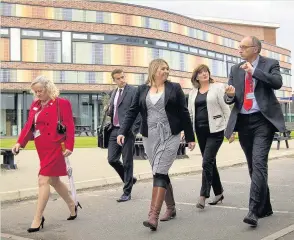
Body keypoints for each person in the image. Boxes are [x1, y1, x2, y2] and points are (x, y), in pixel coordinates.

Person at [117, 59, 195, 231]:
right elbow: (132, 112)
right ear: (153, 70)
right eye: (162, 68)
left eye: (168, 68)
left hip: (170, 135)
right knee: (160, 171)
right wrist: (122, 131)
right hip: (150, 137)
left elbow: (183, 112)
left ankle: (153, 216)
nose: (166, 71)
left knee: (159, 171)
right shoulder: (142, 90)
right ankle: (172, 208)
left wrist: (190, 137)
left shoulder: (174, 88)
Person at [224, 36, 286, 227]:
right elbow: (230, 100)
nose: (239, 50)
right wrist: (230, 95)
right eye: (239, 46)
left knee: (259, 163)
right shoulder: (235, 69)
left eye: (243, 47)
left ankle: (253, 211)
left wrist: (255, 72)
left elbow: (277, 82)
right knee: (253, 166)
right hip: (243, 122)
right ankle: (265, 206)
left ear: (256, 49)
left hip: (263, 121)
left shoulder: (270, 64)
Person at [11, 76, 80, 233]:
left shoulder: (62, 103)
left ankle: (37, 218)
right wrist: (19, 143)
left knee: (43, 179)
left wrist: (69, 146)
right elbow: (29, 126)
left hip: (56, 146)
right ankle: (72, 205)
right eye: (35, 92)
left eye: (40, 91)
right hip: (42, 147)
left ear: (48, 88)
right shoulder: (35, 105)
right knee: (54, 181)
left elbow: (69, 125)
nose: (38, 94)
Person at [188, 64, 231, 209]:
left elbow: (226, 108)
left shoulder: (217, 88)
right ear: (196, 77)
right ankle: (218, 193)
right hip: (200, 132)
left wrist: (231, 129)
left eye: (206, 71)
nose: (204, 74)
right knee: (210, 162)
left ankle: (203, 195)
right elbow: (190, 114)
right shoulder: (193, 92)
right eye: (201, 72)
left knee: (206, 162)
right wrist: (188, 134)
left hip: (216, 130)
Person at [106, 69, 141, 202]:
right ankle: (130, 179)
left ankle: (127, 192)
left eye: (123, 77)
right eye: (118, 78)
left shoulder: (133, 91)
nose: (122, 80)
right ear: (114, 80)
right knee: (112, 159)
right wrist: (109, 110)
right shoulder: (114, 92)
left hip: (127, 131)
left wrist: (133, 130)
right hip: (115, 130)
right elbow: (115, 111)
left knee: (127, 161)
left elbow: (138, 112)